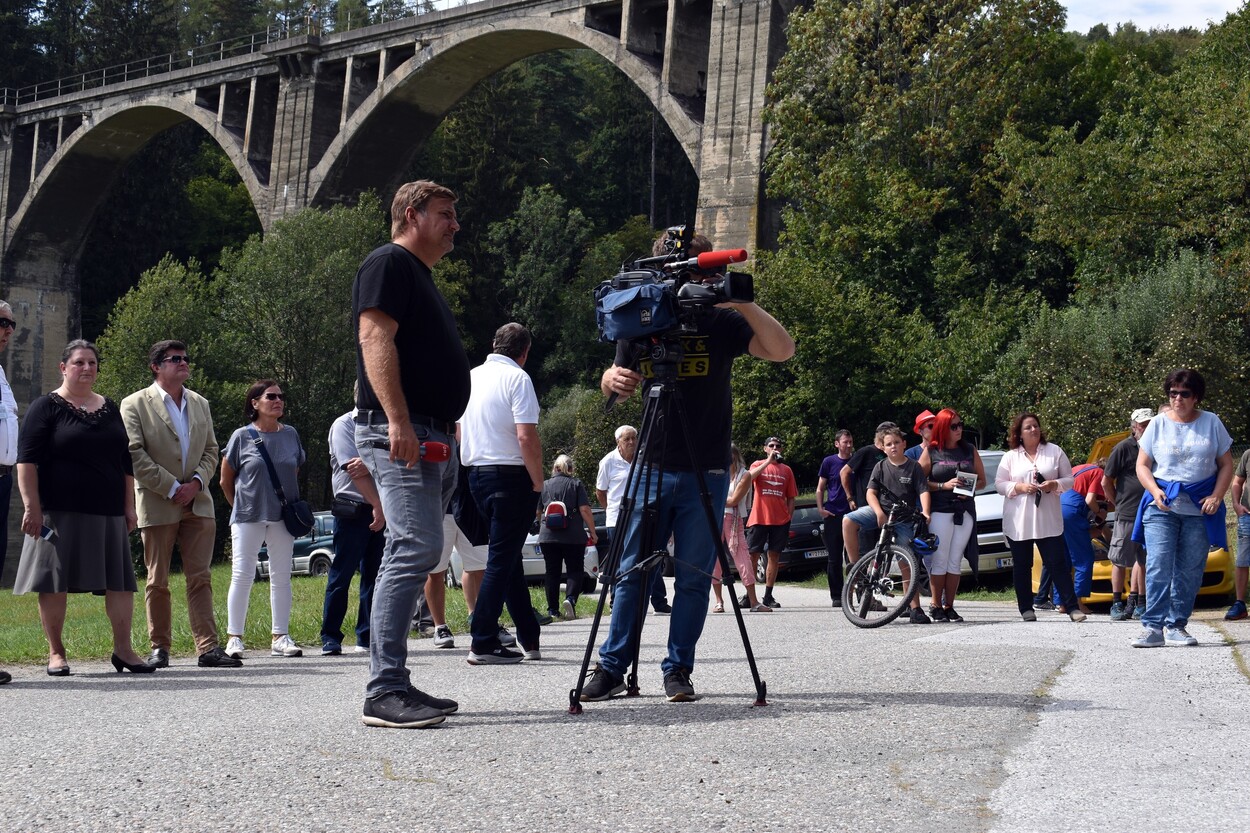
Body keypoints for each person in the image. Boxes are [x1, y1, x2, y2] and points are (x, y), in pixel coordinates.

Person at [581, 230, 794, 703]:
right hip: (652, 460)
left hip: (708, 465)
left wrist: (738, 300)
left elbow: (782, 350)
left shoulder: (719, 320)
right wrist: (608, 378)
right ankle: (612, 667)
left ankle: (678, 670)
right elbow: (615, 389)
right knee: (633, 571)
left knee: (696, 574)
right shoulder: (645, 316)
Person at [354, 179, 465, 729]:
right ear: (412, 215)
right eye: (445, 214)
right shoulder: (388, 264)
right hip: (403, 430)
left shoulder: (417, 274)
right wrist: (398, 420)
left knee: (419, 551)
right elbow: (375, 341)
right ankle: (384, 689)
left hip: (431, 432)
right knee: (412, 547)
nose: (455, 224)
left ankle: (395, 679)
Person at [13, 340, 153, 675]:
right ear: (63, 367)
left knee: (119, 582)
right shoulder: (45, 407)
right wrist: (32, 507)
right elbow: (26, 461)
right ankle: (56, 653)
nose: (87, 368)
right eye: (79, 363)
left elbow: (124, 461)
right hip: (57, 511)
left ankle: (124, 651)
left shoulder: (109, 408)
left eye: (92, 362)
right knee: (53, 582)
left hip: (108, 512)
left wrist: (129, 506)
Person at [121, 340, 239, 669]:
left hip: (198, 502)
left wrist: (197, 483)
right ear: (156, 367)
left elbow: (212, 450)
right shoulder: (134, 404)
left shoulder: (199, 403)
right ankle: (159, 647)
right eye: (176, 359)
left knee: (200, 577)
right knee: (157, 579)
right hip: (158, 501)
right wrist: (173, 487)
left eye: (186, 358)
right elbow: (134, 454)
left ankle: (208, 648)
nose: (184, 363)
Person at [459, 322, 545, 665]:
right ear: (523, 353)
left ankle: (529, 636)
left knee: (506, 557)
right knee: (500, 560)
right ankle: (482, 638)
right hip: (509, 474)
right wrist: (537, 481)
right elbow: (526, 436)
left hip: (475, 474)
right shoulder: (517, 378)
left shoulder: (470, 376)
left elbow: (459, 430)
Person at [1132, 368, 1233, 647]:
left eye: (1184, 394)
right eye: (1173, 393)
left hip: (1200, 509)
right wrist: (1154, 491)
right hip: (1161, 506)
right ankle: (1152, 627)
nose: (1178, 398)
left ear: (1196, 397)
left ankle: (1176, 625)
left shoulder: (1212, 423)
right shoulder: (1157, 425)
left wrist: (1216, 496)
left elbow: (1226, 465)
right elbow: (1142, 465)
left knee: (1190, 570)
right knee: (1158, 564)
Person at [220, 379, 306, 659]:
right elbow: (225, 479)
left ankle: (280, 636)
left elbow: (293, 472)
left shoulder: (291, 434)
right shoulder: (241, 436)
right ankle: (234, 638)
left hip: (283, 515)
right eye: (271, 396)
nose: (278, 400)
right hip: (247, 515)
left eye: (281, 396)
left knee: (282, 576)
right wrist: (241, 508)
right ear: (255, 403)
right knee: (242, 575)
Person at [995, 412, 1086, 623]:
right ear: (1019, 433)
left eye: (1036, 426)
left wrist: (1054, 485)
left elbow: (1069, 480)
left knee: (1057, 563)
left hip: (1047, 518)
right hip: (1020, 520)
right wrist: (1018, 487)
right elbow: (999, 484)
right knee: (1022, 564)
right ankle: (1026, 608)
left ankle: (1072, 607)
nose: (1034, 430)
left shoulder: (1054, 451)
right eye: (1028, 427)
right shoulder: (1010, 456)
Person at [842, 425, 931, 622]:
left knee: (907, 560)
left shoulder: (913, 466)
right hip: (880, 511)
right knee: (848, 520)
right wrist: (878, 512)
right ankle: (856, 567)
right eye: (889, 444)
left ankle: (914, 608)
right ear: (883, 447)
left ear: (904, 444)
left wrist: (925, 511)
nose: (893, 447)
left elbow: (923, 490)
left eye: (897, 443)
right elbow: (870, 493)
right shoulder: (880, 467)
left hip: (903, 517)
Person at [320, 409, 386, 656]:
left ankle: (367, 636)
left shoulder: (386, 422)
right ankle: (331, 637)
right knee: (341, 575)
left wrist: (369, 461)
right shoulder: (344, 424)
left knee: (375, 577)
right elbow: (353, 469)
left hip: (383, 509)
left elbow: (396, 459)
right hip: (353, 509)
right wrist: (377, 505)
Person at [919, 408, 984, 623]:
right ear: (943, 428)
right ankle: (935, 605)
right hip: (940, 510)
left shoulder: (969, 449)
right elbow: (917, 480)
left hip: (964, 511)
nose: (959, 429)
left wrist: (968, 488)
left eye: (960, 424)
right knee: (940, 559)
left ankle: (949, 606)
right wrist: (942, 485)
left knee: (955, 560)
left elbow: (983, 481)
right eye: (954, 426)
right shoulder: (932, 451)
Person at [596, 425, 671, 613]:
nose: (631, 442)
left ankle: (659, 602)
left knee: (650, 557)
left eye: (634, 438)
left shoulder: (642, 460)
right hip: (617, 518)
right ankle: (616, 603)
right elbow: (600, 491)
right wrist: (612, 510)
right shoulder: (608, 462)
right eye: (626, 439)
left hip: (641, 516)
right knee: (619, 561)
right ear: (618, 442)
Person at [1102, 408, 1153, 621]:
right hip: (1127, 512)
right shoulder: (1123, 448)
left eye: (1149, 423)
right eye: (1142, 424)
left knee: (1143, 559)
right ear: (1134, 426)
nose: (1146, 427)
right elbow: (1106, 481)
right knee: (1119, 559)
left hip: (1150, 511)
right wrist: (1118, 504)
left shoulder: (1155, 447)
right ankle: (1116, 604)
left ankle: (1140, 603)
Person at [538, 454, 597, 620]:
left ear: (555, 468)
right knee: (575, 570)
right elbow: (584, 509)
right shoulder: (576, 484)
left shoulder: (544, 485)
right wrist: (592, 532)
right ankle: (570, 599)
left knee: (552, 572)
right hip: (573, 535)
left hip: (548, 536)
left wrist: (542, 526)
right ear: (570, 469)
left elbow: (538, 512)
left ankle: (552, 610)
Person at [714, 444, 769, 613]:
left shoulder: (744, 475)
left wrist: (714, 499)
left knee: (742, 556)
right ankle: (719, 601)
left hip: (733, 518)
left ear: (735, 456)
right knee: (714, 557)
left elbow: (733, 501)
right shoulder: (717, 473)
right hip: (715, 517)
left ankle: (753, 601)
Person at [746, 436, 797, 608]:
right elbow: (749, 478)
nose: (775, 448)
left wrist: (788, 516)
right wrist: (768, 461)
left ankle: (768, 595)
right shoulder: (757, 464)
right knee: (752, 556)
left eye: (778, 446)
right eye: (771, 446)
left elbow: (791, 497)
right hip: (759, 517)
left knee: (774, 556)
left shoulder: (787, 470)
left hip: (780, 520)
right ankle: (749, 596)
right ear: (765, 448)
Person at [1059, 460, 1107, 615]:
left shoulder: (1077, 468)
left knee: (1064, 559)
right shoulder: (1099, 473)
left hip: (1056, 508)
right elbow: (1090, 500)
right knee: (1084, 559)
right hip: (1072, 510)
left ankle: (1062, 603)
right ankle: (1078, 603)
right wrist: (1099, 511)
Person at [841, 422, 894, 556]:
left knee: (883, 551)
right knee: (866, 550)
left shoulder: (891, 454)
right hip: (867, 506)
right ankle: (856, 571)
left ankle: (878, 576)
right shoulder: (866, 451)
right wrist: (850, 497)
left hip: (886, 508)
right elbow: (844, 472)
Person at [816, 429, 854, 607]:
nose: (848, 444)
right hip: (833, 514)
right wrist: (821, 508)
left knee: (853, 557)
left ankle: (854, 592)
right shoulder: (829, 462)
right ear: (837, 444)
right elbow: (820, 488)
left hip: (853, 515)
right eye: (845, 442)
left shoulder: (857, 460)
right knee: (834, 557)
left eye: (850, 441)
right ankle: (837, 596)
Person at [0, 302, 18, 589]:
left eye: (12, 325)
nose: (9, 331)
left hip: (4, 477)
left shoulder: (1, 372)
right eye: (3, 323)